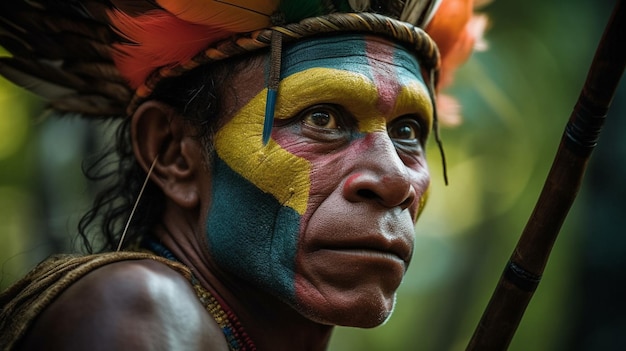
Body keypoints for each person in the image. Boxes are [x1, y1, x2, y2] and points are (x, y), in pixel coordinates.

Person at [0, 0, 486, 350]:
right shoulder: (143, 310)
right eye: (321, 118)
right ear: (174, 153)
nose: (395, 178)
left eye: (406, 130)